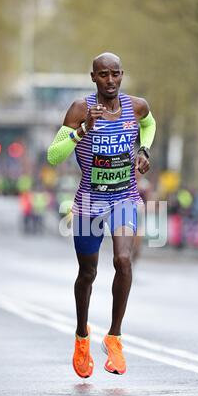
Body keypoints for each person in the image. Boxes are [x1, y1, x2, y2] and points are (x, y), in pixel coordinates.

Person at [48, 52, 156, 377]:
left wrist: (144, 149)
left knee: (124, 260)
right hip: (90, 202)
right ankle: (82, 336)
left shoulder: (136, 106)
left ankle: (115, 337)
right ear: (93, 77)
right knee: (88, 274)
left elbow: (149, 123)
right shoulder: (80, 110)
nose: (110, 81)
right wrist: (81, 131)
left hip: (124, 197)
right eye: (103, 75)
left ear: (122, 75)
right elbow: (54, 155)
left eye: (115, 74)